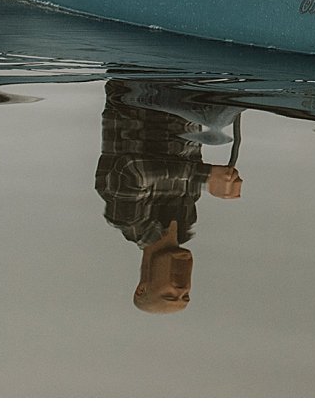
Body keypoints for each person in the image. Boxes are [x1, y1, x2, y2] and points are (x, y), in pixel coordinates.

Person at [93, 78, 244, 314]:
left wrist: (205, 177)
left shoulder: (125, 218)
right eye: (186, 295)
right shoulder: (186, 220)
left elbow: (134, 170)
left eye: (170, 295)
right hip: (186, 99)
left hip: (137, 91)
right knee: (241, 104)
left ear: (142, 288)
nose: (181, 287)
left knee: (217, 120)